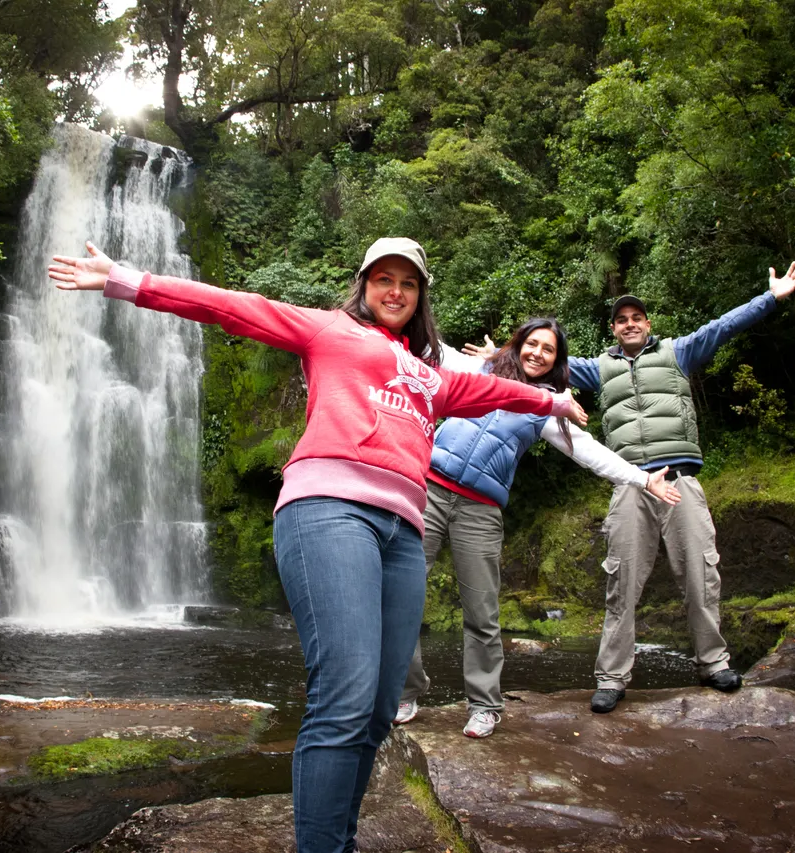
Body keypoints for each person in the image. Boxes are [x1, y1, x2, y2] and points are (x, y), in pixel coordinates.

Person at [48, 237, 587, 853]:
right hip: (330, 509)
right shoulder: (328, 330)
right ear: (364, 285)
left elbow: (497, 392)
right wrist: (124, 279)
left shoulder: (433, 378)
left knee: (382, 706)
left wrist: (553, 401)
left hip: (404, 532)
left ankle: (338, 840)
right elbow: (232, 306)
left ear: (420, 297)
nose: (395, 292)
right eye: (383, 279)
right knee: (347, 694)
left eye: (408, 284)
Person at [392, 318, 682, 739]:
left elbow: (588, 451)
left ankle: (486, 705)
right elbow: (430, 348)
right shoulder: (481, 371)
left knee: (482, 611)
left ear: (555, 361)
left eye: (548, 350)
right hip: (428, 492)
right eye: (532, 344)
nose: (537, 353)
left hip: (481, 508)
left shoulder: (546, 404)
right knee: (402, 597)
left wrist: (642, 478)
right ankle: (405, 692)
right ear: (519, 344)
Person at [562, 264, 795, 713]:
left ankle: (713, 663)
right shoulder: (597, 369)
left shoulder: (680, 352)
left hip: (679, 482)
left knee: (701, 573)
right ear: (613, 330)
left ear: (648, 324)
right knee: (622, 582)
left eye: (636, 317)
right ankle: (612, 678)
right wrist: (495, 355)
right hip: (632, 485)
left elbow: (725, 326)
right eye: (621, 319)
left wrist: (771, 297)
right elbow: (540, 359)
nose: (629, 324)